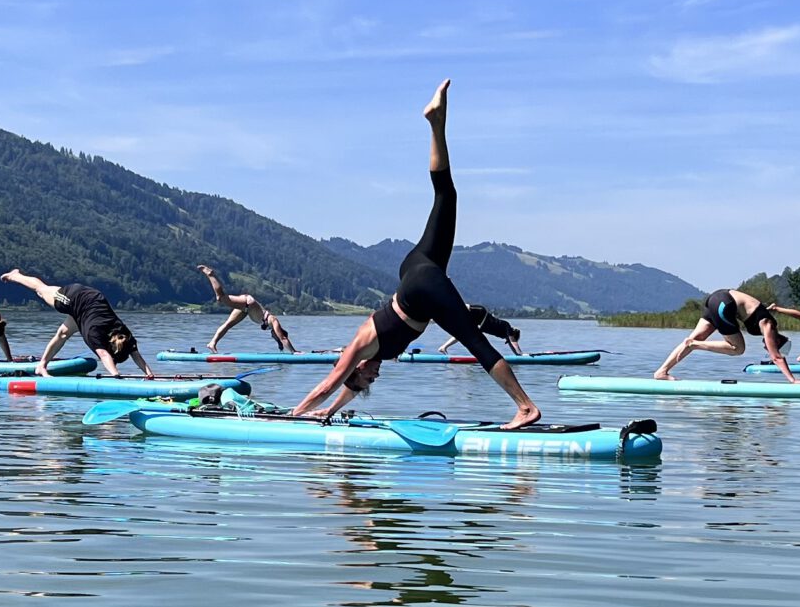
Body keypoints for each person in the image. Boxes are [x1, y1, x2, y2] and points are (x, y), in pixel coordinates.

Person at [292, 81, 543, 429]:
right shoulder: (369, 356)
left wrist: (294, 414)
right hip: (415, 268)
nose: (375, 377)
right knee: (446, 196)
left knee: (475, 341)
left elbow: (331, 382)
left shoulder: (358, 350)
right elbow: (345, 390)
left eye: (368, 378)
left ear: (357, 369)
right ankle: (436, 123)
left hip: (420, 288)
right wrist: (331, 412)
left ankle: (526, 407)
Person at [6, 270, 152, 377]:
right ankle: (15, 275)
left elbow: (136, 355)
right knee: (41, 290)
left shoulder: (125, 336)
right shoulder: (93, 333)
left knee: (62, 334)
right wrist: (116, 375)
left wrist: (149, 375)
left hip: (90, 305)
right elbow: (104, 355)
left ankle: (41, 366)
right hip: (75, 297)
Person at [655, 286, 797, 381]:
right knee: (738, 349)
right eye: (771, 347)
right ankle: (695, 345)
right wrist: (793, 380)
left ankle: (661, 372)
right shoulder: (769, 326)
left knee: (695, 337)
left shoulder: (766, 323)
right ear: (777, 341)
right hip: (725, 304)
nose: (767, 349)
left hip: (717, 298)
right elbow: (777, 357)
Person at [198, 265, 295, 352]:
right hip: (247, 303)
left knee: (228, 324)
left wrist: (281, 346)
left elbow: (280, 340)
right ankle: (211, 274)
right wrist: (294, 351)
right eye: (275, 336)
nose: (273, 336)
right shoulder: (274, 321)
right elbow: (282, 338)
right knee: (221, 298)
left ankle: (212, 343)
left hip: (246, 309)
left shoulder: (272, 327)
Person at [435, 304, 523, 357]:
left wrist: (518, 355)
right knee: (463, 307)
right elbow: (513, 342)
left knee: (463, 333)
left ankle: (443, 347)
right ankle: (443, 305)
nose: (507, 341)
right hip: (481, 314)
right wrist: (521, 353)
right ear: (514, 333)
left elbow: (512, 344)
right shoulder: (507, 326)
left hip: (479, 323)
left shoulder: (506, 335)